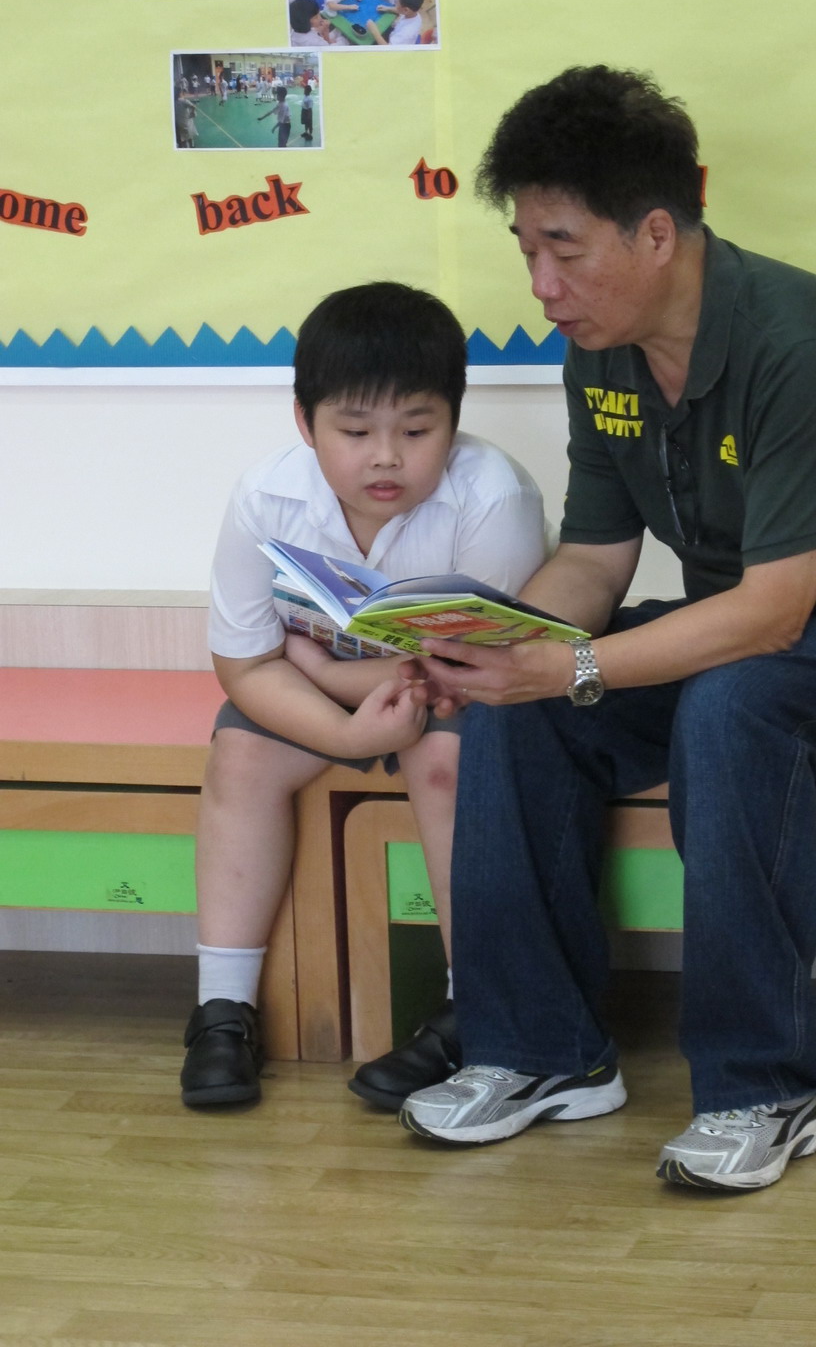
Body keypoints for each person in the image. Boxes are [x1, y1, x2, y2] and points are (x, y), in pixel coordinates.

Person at [394, 65, 816, 1192]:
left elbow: (774, 613)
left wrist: (571, 664)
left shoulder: (803, 345)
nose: (542, 283)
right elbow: (596, 560)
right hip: (753, 629)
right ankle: (542, 1054)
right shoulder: (599, 348)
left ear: (654, 233)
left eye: (564, 248)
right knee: (519, 712)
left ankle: (767, 1090)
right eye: (524, 247)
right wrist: (502, 647)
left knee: (736, 708)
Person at [179, 282, 547, 1109]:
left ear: (454, 422)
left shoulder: (495, 498)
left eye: (417, 431)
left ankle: (473, 1004)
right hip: (340, 695)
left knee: (452, 765)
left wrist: (319, 671)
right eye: (354, 431)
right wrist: (341, 726)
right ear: (305, 423)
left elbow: (473, 675)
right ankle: (221, 1010)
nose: (386, 456)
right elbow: (242, 668)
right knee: (239, 755)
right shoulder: (266, 497)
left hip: (460, 703)